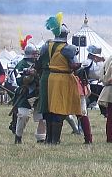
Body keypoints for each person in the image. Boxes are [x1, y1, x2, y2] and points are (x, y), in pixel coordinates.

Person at [36, 16, 82, 145]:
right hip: (62, 79)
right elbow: (74, 65)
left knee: (49, 109)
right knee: (59, 109)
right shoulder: (69, 48)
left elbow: (38, 64)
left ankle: (49, 139)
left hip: (48, 78)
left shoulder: (46, 46)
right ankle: (55, 140)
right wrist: (81, 67)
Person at [75, 45, 106, 144]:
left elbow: (80, 74)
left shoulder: (87, 63)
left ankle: (81, 130)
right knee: (106, 111)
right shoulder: (103, 63)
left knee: (83, 110)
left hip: (90, 87)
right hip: (100, 87)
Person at [12, 43, 41, 144]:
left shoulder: (39, 63)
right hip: (25, 94)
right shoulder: (21, 65)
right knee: (23, 116)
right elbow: (19, 81)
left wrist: (36, 74)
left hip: (38, 93)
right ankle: (18, 137)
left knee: (43, 117)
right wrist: (29, 76)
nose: (36, 56)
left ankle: (41, 138)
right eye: (34, 54)